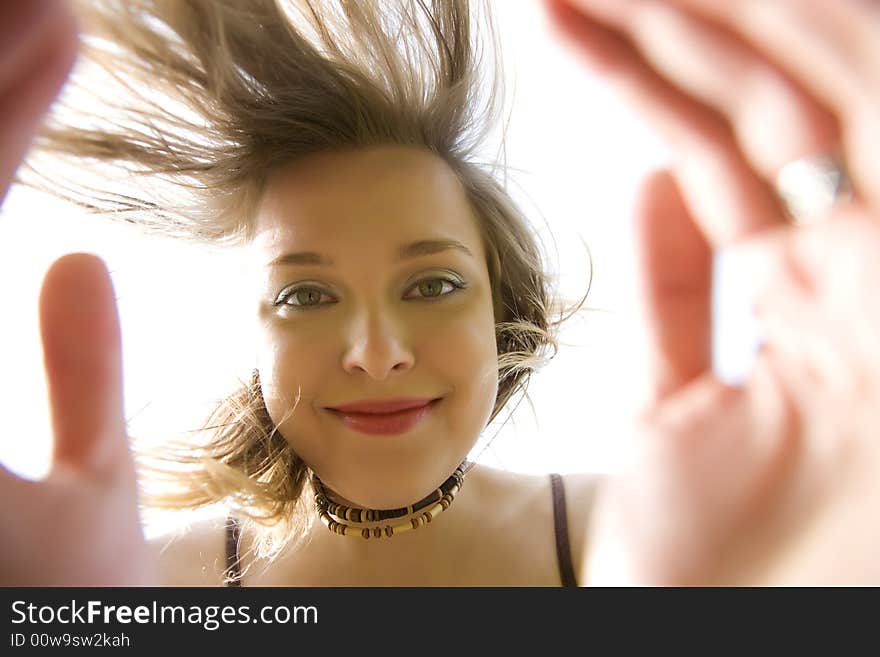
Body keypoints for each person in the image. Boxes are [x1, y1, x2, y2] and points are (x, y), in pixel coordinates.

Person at [1, 0, 877, 587]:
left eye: (432, 283)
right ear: (251, 335)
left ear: (504, 310)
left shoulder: (668, 540)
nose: (377, 350)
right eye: (306, 296)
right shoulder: (140, 588)